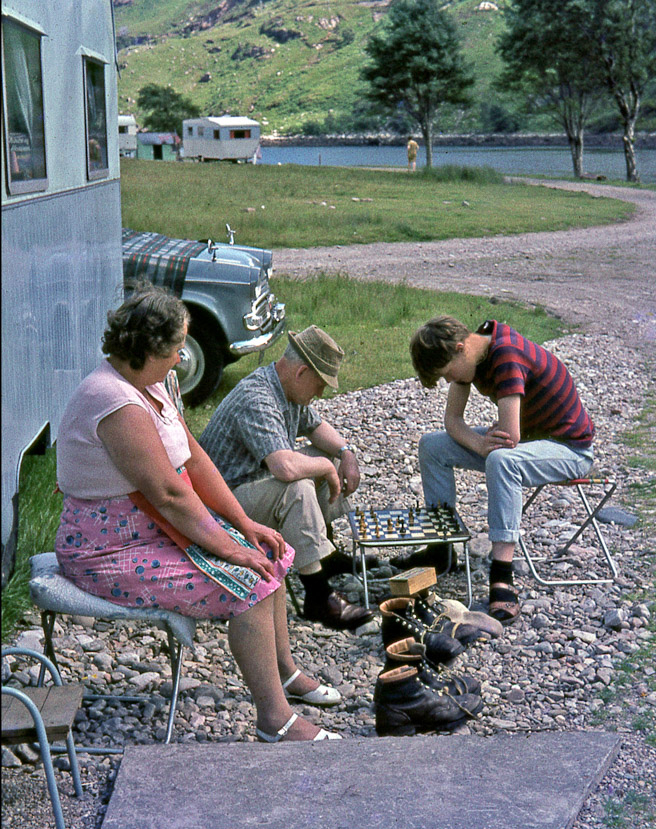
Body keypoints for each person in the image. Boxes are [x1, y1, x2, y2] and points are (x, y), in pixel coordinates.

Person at [55, 281, 341, 743]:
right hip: (106, 547)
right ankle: (274, 719)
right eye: (176, 349)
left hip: (152, 528)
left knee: (267, 550)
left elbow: (193, 458)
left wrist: (244, 526)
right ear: (150, 348)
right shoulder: (113, 401)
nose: (181, 359)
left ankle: (284, 673)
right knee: (247, 577)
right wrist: (229, 549)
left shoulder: (153, 384)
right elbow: (169, 493)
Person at [407, 316, 595, 623]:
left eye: (446, 373)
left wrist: (487, 447)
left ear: (460, 347)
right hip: (532, 440)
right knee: (432, 446)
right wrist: (479, 445)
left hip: (570, 449)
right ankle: (441, 550)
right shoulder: (475, 350)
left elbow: (510, 437)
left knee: (501, 460)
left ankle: (502, 577)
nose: (448, 381)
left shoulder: (505, 355)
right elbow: (452, 422)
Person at [199, 326, 374, 631]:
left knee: (326, 457)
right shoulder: (258, 397)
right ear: (302, 372)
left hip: (246, 486)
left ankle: (324, 553)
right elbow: (283, 468)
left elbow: (316, 427)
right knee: (296, 488)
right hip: (219, 507)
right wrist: (325, 467)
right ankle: (318, 597)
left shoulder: (287, 388)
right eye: (320, 384)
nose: (320, 393)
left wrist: (346, 454)